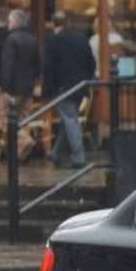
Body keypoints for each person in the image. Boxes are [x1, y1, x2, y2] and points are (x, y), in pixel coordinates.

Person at [42, 11, 96, 169]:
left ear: (53, 24)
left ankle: (79, 157)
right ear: (68, 23)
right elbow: (91, 63)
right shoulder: (81, 39)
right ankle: (56, 153)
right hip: (79, 87)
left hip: (63, 87)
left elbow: (48, 67)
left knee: (70, 120)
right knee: (68, 119)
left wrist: (48, 89)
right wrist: (86, 79)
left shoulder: (52, 40)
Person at [0, 9, 41, 162]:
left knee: (5, 119)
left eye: (9, 22)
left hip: (13, 87)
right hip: (28, 87)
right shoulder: (32, 39)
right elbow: (38, 65)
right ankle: (21, 155)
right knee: (23, 119)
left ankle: (25, 141)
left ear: (14, 23)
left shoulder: (11, 40)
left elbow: (7, 66)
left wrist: (5, 89)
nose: (8, 25)